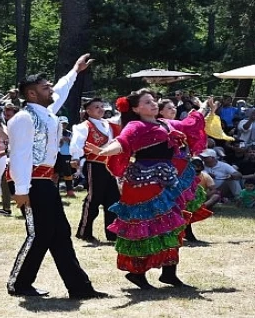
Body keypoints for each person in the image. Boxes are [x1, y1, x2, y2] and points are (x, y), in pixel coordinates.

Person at [86, 89, 215, 289]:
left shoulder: (165, 123)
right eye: (147, 102)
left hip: (167, 182)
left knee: (173, 225)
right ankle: (137, 273)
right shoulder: (136, 125)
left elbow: (189, 124)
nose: (153, 104)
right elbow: (122, 143)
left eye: (154, 100)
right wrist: (104, 151)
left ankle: (169, 273)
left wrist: (204, 107)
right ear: (137, 109)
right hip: (144, 184)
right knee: (145, 227)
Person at [6, 53, 107, 299]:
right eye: (44, 87)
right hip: (29, 182)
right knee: (39, 234)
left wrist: (75, 70)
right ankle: (19, 283)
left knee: (59, 232)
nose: (50, 89)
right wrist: (20, 190)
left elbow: (61, 90)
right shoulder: (23, 118)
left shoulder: (45, 112)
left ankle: (79, 287)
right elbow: (19, 155)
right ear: (31, 94)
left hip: (45, 181)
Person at [70, 97, 121, 244]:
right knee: (94, 198)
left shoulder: (110, 124)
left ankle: (112, 233)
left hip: (110, 165)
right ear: (88, 110)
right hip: (95, 164)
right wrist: (75, 157)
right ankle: (84, 231)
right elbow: (77, 143)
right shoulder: (84, 126)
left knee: (113, 198)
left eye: (101, 106)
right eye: (96, 107)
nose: (100, 109)